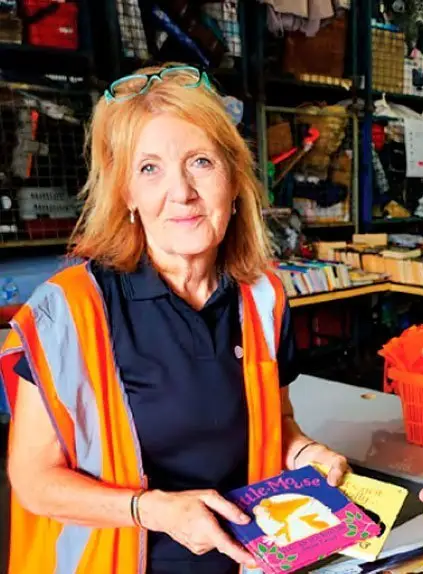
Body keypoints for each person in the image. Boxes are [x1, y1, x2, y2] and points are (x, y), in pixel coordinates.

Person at [0, 64, 350, 574]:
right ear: (126, 195)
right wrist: (154, 510)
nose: (181, 192)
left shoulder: (261, 297)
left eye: (201, 162)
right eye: (150, 169)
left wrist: (305, 454)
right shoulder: (68, 311)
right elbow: (32, 480)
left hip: (247, 561)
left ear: (233, 180)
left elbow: (277, 422)